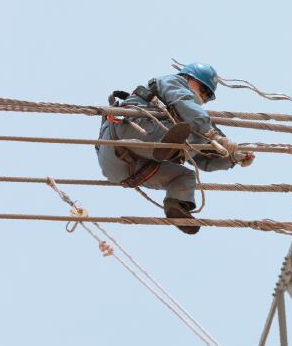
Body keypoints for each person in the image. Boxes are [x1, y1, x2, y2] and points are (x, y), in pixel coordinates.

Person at [97, 63, 255, 234]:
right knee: (191, 128)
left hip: (124, 170)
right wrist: (213, 134)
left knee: (186, 176)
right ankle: (166, 146)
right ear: (188, 77)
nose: (203, 96)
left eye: (208, 96)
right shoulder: (173, 82)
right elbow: (183, 102)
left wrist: (231, 158)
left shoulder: (193, 120)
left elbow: (202, 157)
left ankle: (176, 204)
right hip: (129, 130)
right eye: (203, 89)